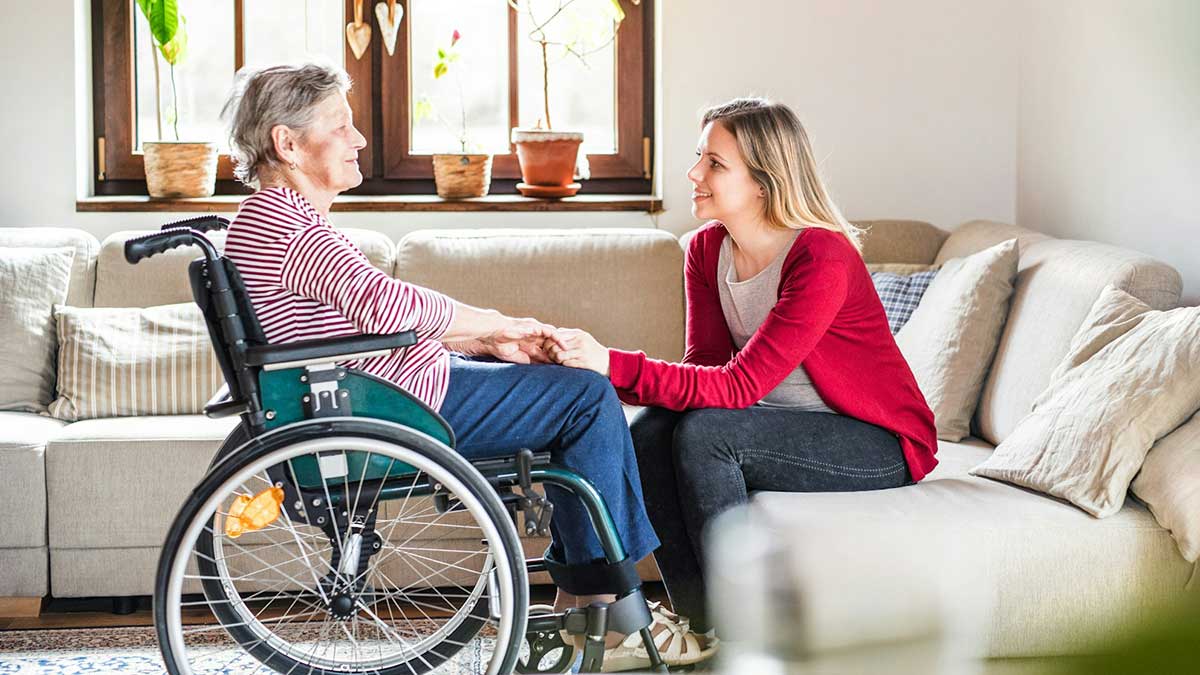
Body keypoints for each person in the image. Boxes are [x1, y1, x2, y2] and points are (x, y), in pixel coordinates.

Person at [218, 62, 714, 670]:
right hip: (385, 409)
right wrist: (494, 323)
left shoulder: (282, 221)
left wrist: (483, 345)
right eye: (341, 126)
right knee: (586, 396)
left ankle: (583, 612)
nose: (360, 140)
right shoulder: (286, 223)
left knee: (573, 392)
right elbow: (389, 305)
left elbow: (370, 332)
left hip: (380, 393)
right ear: (287, 143)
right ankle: (613, 613)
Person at [548, 97, 939, 637]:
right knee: (650, 433)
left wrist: (609, 363)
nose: (694, 174)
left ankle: (739, 630)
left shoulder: (821, 256)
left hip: (875, 441)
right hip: (776, 422)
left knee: (709, 435)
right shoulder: (707, 249)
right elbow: (705, 369)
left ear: (763, 181)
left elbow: (739, 386)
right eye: (699, 158)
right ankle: (700, 623)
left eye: (714, 163)